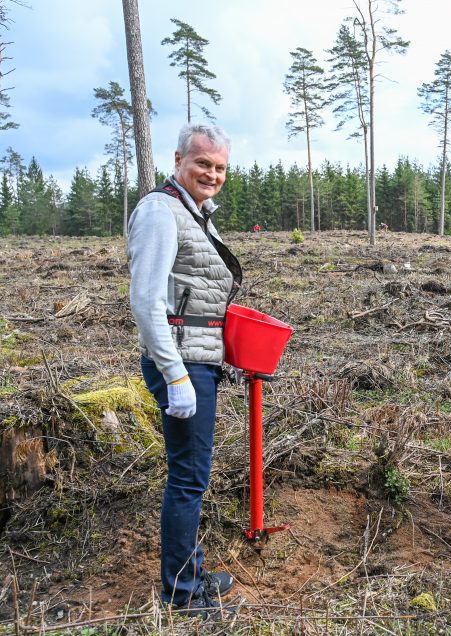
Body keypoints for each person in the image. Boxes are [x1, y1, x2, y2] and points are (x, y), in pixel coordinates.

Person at [128, 123, 242, 614]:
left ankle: (189, 570)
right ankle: (182, 594)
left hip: (198, 359)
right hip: (182, 363)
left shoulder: (194, 213)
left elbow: (195, 293)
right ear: (178, 160)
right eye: (202, 164)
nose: (211, 174)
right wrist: (175, 375)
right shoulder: (159, 211)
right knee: (188, 479)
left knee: (191, 474)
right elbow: (147, 302)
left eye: (219, 168)